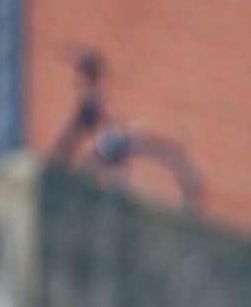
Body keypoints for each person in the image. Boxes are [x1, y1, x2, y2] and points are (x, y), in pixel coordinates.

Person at [47, 48, 204, 213]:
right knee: (101, 171)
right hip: (103, 143)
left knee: (101, 171)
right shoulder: (92, 98)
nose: (77, 84)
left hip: (106, 143)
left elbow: (86, 127)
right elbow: (81, 130)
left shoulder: (91, 98)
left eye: (80, 80)